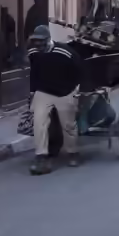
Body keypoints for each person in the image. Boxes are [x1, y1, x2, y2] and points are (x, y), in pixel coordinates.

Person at [27, 24, 82, 174]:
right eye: (35, 41)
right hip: (44, 91)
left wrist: (75, 88)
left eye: (40, 41)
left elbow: (78, 69)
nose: (37, 44)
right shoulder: (33, 52)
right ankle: (41, 156)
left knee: (68, 125)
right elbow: (34, 72)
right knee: (39, 122)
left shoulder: (65, 52)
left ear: (48, 39)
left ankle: (73, 152)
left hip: (65, 91)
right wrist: (32, 92)